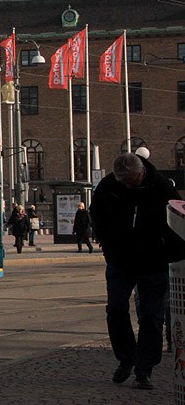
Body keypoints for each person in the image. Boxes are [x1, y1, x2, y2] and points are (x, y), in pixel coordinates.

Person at [91, 152, 185, 390]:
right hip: (120, 262)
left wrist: (169, 256)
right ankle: (127, 358)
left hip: (153, 263)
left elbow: (178, 220)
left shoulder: (161, 187)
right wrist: (107, 245)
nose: (126, 186)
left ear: (141, 172)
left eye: (130, 182)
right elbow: (97, 214)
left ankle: (144, 370)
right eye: (122, 182)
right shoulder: (109, 185)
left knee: (152, 317)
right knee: (116, 309)